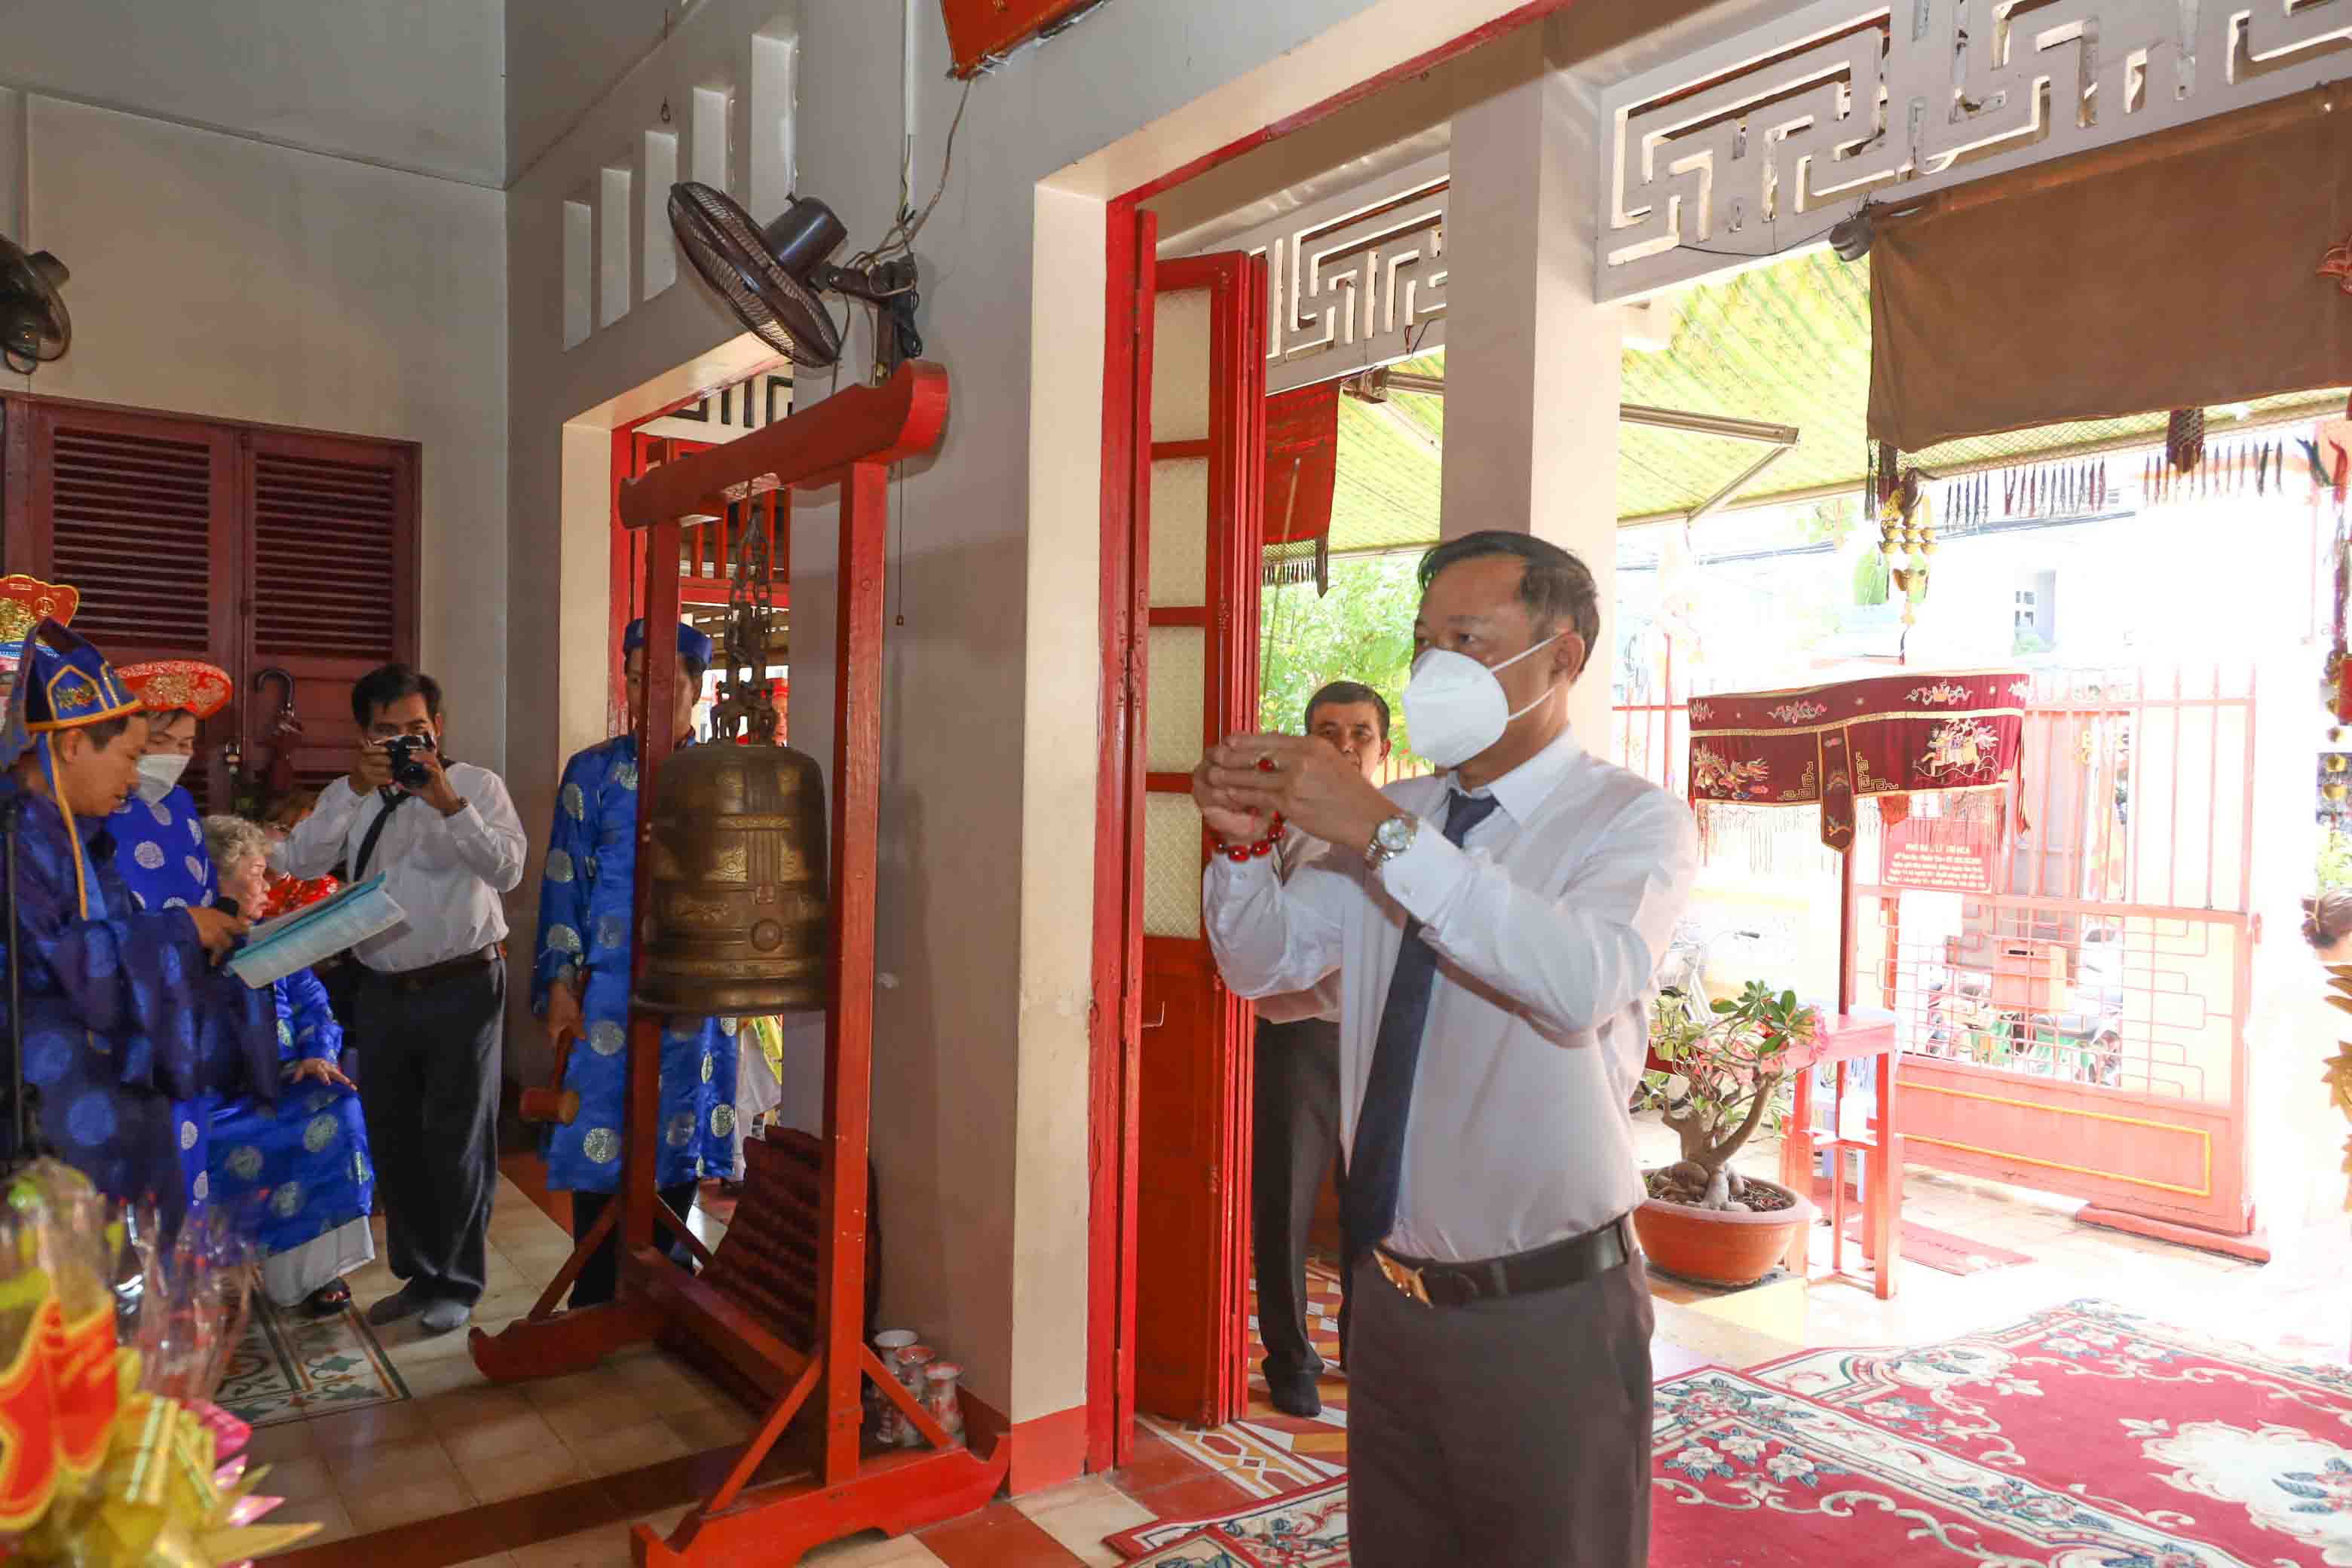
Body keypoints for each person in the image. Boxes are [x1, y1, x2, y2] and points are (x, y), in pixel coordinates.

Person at [1193, 531, 1696, 1568]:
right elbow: (1265, 964)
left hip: (1546, 1308)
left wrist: (1383, 836)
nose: (1435, 669)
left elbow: (1578, 984)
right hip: (1390, 1299)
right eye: (1425, 642)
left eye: (1468, 640)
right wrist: (1244, 844)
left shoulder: (1628, 823)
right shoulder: (1406, 815)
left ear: (1563, 658)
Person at [274, 663, 527, 1335]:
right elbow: (298, 861)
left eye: (417, 729)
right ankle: (419, 1276)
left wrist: (446, 801)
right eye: (389, 732)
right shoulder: (350, 794)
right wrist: (355, 791)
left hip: (464, 984)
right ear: (364, 736)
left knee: (457, 1137)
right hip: (381, 988)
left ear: (437, 728)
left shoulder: (474, 786)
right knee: (395, 1136)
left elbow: (507, 868)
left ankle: (458, 1280)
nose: (406, 744)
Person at [0, 617, 268, 1230]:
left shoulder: (81, 837)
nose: (133, 777)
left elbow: (122, 932)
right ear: (71, 746)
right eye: (128, 756)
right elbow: (51, 959)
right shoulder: (14, 837)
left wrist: (213, 941)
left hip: (106, 1083)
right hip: (45, 1100)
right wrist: (181, 932)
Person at [534, 620, 737, 1306]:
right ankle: (596, 1294)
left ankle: (666, 1293)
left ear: (696, 688)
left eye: (666, 681)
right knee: (599, 1139)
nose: (647, 693)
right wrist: (560, 987)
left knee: (676, 1133)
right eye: (634, 677)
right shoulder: (590, 773)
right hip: (608, 994)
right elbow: (564, 882)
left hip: (694, 993)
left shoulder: (726, 777)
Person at [1251, 679, 1390, 1418]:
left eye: (1360, 732)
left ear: (1383, 748)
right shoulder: (1281, 825)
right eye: (1328, 730)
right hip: (1298, 1039)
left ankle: (1364, 1347)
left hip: (1377, 1040)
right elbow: (1258, 936)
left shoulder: (1410, 827)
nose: (1344, 744)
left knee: (1375, 1205)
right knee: (1285, 1205)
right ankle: (1288, 1358)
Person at [202, 814, 376, 1314]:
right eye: (256, 873)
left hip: (281, 1078)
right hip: (212, 1091)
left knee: (335, 1103)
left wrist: (316, 1052)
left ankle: (312, 1275)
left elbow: (312, 1003)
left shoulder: (271, 936)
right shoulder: (183, 943)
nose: (267, 885)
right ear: (217, 877)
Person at [108, 660, 237, 1208]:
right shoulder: (98, 807)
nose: (176, 758)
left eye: (187, 744)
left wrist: (224, 920)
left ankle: (184, 1284)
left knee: (188, 1154)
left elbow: (203, 889)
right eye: (163, 740)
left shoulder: (183, 807)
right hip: (126, 1007)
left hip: (189, 1006)